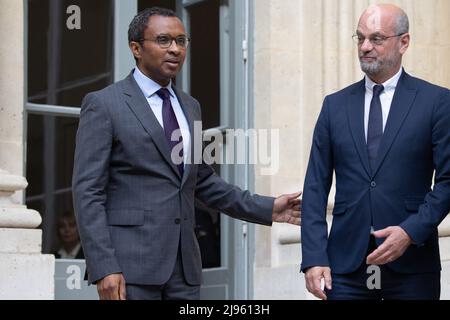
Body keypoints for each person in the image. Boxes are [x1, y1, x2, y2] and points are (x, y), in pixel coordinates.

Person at [72, 7, 301, 300]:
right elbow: (87, 191)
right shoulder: (104, 104)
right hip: (130, 270)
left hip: (184, 271)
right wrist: (104, 265)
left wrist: (268, 208)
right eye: (164, 40)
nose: (175, 49)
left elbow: (202, 181)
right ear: (136, 48)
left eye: (181, 41)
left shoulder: (190, 106)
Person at [301, 4, 449, 300]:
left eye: (377, 39)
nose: (365, 47)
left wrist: (410, 231)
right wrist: (314, 257)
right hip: (345, 267)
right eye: (360, 38)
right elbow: (315, 188)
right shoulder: (334, 106)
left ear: (403, 42)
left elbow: (447, 181)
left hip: (413, 266)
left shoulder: (437, 102)